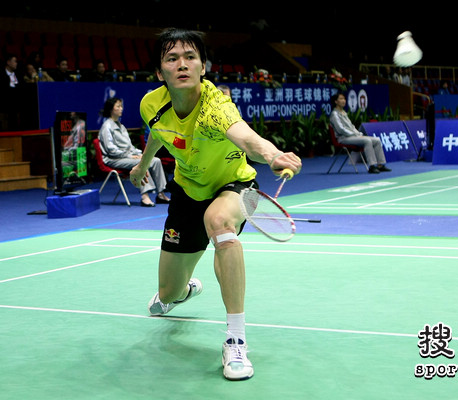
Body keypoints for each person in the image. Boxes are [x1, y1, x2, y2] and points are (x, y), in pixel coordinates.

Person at [129, 28, 302, 381]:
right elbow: (159, 133)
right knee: (167, 295)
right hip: (186, 192)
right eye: (172, 58)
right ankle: (184, 290)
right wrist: (143, 165)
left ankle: (235, 340)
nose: (182, 64)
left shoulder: (216, 108)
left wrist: (273, 155)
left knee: (220, 223)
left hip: (233, 186)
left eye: (190, 57)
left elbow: (248, 138)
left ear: (203, 66)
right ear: (160, 71)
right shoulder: (150, 104)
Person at [98, 97, 170, 207]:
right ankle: (145, 196)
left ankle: (161, 194)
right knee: (141, 163)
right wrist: (130, 156)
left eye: (121, 106)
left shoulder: (121, 126)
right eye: (118, 106)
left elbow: (130, 146)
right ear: (111, 109)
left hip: (126, 157)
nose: (121, 108)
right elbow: (110, 149)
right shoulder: (106, 126)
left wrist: (140, 154)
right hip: (114, 159)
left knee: (155, 160)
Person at [329, 92, 390, 174]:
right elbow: (341, 129)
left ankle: (380, 165)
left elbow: (351, 127)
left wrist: (358, 134)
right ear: (336, 101)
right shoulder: (334, 114)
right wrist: (355, 135)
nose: (343, 100)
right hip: (343, 138)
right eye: (341, 99)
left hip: (353, 137)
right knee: (367, 141)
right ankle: (372, 166)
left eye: (344, 99)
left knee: (377, 140)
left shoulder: (343, 112)